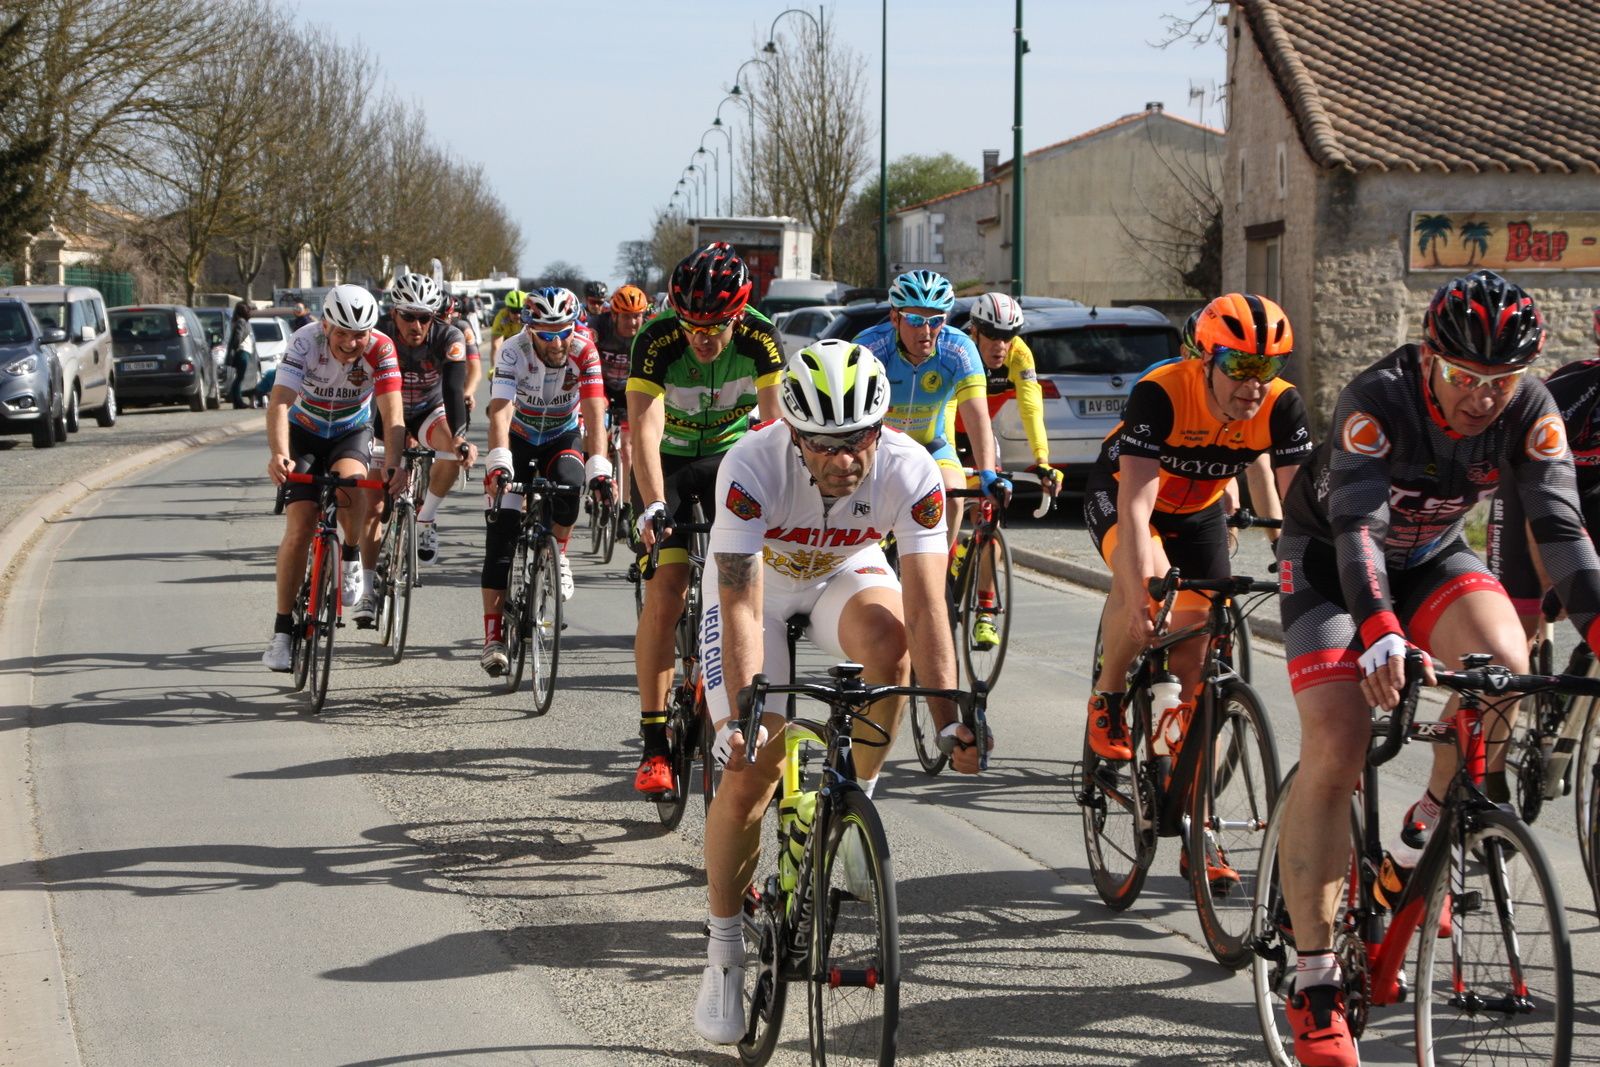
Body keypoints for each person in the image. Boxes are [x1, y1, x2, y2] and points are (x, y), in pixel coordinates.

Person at [1272, 270, 1600, 1067]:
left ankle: (1421, 830)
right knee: (1340, 740)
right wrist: (1379, 630)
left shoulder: (1529, 410)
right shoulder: (1375, 398)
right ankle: (1314, 979)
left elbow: (1560, 528)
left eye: (1501, 381)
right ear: (1429, 359)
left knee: (1509, 670)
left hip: (1429, 556)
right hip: (1330, 563)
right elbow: (1355, 526)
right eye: (1464, 379)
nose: (1483, 398)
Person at [691, 339, 986, 1044]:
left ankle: (854, 799)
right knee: (751, 767)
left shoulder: (914, 472)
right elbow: (737, 606)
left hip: (841, 574)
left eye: (856, 439)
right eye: (822, 443)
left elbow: (927, 605)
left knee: (893, 647)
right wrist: (742, 712)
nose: (842, 457)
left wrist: (950, 718)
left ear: (880, 427)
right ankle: (724, 952)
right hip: (756, 587)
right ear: (793, 433)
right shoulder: (751, 463)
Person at [1084, 291, 1311, 878]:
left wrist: (1304, 581)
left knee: (1194, 672)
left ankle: (1195, 829)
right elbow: (1136, 503)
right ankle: (1108, 696)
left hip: (1199, 514)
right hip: (1126, 498)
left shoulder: (1282, 408)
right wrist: (1138, 593)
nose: (1254, 383)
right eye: (1239, 365)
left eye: (1270, 366)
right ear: (1206, 359)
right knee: (1152, 584)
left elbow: (1301, 514)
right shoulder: (1161, 392)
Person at [628, 243, 785, 796]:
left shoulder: (762, 339)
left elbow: (772, 429)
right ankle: (652, 746)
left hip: (729, 459)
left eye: (714, 327)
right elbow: (643, 429)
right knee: (667, 590)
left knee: (740, 582)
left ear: (738, 316)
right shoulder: (656, 338)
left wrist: (775, 507)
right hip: (665, 463)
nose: (700, 337)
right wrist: (652, 504)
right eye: (691, 323)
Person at [260, 285, 407, 671]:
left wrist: (394, 461)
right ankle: (281, 632)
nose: (350, 342)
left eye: (359, 334)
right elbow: (279, 403)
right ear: (325, 324)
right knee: (300, 527)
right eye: (341, 332)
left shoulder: (382, 348)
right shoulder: (304, 342)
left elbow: (392, 415)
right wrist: (278, 453)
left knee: (351, 483)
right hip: (304, 432)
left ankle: (353, 553)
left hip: (350, 431)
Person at [478, 286, 609, 675]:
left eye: (564, 330)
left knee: (572, 485)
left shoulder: (585, 350)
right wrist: (498, 463)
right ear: (530, 329)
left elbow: (594, 411)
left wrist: (599, 467)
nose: (558, 341)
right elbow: (500, 411)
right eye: (548, 334)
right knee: (501, 533)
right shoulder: (513, 351)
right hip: (517, 437)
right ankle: (493, 636)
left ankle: (560, 553)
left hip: (560, 434)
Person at [853, 269, 1010, 551]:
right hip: (878, 448)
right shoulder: (869, 347)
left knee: (952, 496)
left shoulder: (959, 349)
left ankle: (938, 575)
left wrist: (988, 473)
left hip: (932, 443)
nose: (926, 332)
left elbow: (977, 417)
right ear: (894, 317)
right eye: (914, 320)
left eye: (935, 321)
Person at [357, 274, 477, 600]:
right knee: (374, 506)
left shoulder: (449, 336)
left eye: (424, 317)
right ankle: (367, 588)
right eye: (408, 316)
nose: (416, 325)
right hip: (384, 414)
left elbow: (454, 391)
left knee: (452, 447)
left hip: (428, 410)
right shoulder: (377, 336)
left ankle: (426, 518)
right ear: (394, 313)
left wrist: (461, 437)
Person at [955, 292, 1063, 648]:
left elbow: (1032, 409)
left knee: (990, 519)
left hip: (981, 434)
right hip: (944, 431)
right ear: (975, 331)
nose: (1001, 344)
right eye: (992, 334)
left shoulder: (1020, 354)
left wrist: (1043, 460)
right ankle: (951, 549)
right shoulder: (958, 348)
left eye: (1009, 335)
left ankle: (985, 615)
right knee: (947, 501)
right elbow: (945, 408)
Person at [592, 284, 652, 507]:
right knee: (595, 427)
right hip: (602, 387)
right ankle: (596, 473)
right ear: (614, 315)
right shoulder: (598, 327)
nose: (633, 322)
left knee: (627, 448)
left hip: (630, 390)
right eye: (626, 317)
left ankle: (625, 505)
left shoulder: (648, 332)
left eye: (637, 316)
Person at [226, 302, 259, 410]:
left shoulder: (240, 321)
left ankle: (237, 401)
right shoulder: (241, 321)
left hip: (243, 352)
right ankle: (237, 401)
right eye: (248, 310)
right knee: (239, 378)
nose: (250, 312)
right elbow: (238, 337)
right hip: (242, 352)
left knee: (239, 377)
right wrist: (236, 347)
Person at [489, 289, 525, 363]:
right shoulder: (501, 317)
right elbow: (496, 346)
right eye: (514, 311)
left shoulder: (531, 316)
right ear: (508, 309)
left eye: (521, 311)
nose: (518, 315)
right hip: (508, 348)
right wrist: (494, 368)